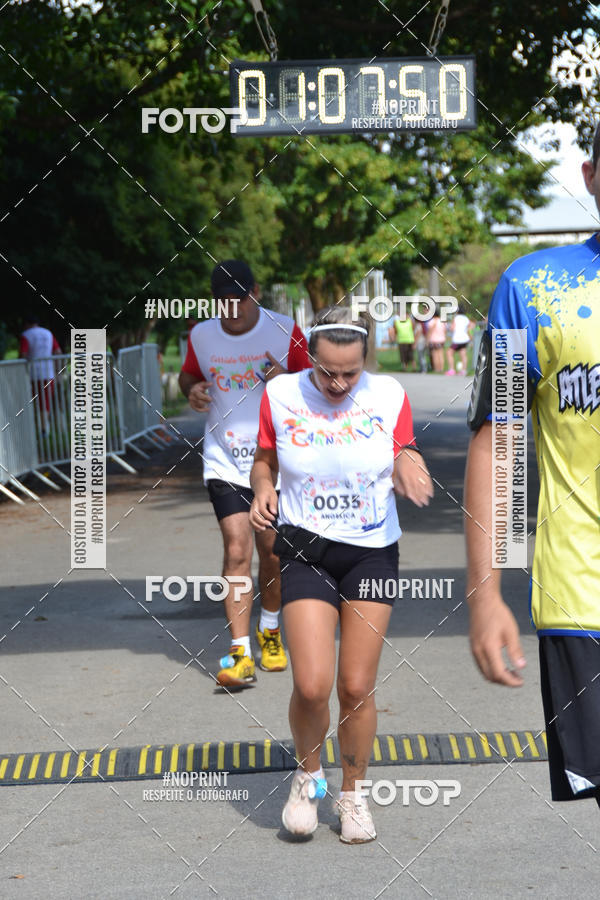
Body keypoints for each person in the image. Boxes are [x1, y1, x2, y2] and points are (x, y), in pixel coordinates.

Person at [249, 306, 434, 842]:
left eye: (350, 372)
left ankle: (353, 796)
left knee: (355, 685)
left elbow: (406, 448)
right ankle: (309, 777)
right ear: (311, 357)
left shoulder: (388, 395)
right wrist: (263, 486)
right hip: (305, 547)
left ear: (365, 360)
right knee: (311, 685)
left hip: (371, 550)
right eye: (327, 371)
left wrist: (408, 461)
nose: (337, 382)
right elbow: (265, 459)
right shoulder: (282, 395)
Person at [464, 125, 600, 809]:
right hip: (584, 596)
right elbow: (500, 443)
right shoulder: (534, 287)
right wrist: (486, 593)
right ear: (590, 175)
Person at [179, 260, 311, 688]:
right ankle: (239, 652)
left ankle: (270, 631)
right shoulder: (202, 335)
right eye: (223, 301)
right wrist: (192, 391)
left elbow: (323, 383)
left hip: (276, 461)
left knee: (270, 552)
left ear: (254, 291)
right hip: (223, 459)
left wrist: (288, 378)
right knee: (237, 550)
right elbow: (189, 376)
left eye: (238, 299)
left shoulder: (284, 329)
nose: (231, 310)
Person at [19, 314, 62, 431]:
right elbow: (57, 351)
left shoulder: (26, 335)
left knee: (35, 401)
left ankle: (41, 428)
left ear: (26, 324)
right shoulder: (48, 333)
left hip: (33, 373)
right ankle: (44, 427)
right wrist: (58, 370)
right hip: (48, 372)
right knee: (46, 401)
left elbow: (23, 354)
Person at [445, 304, 475, 375]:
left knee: (449, 353)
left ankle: (451, 370)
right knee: (463, 354)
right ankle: (463, 371)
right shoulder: (466, 318)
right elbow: (472, 326)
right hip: (465, 339)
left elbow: (452, 328)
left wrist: (448, 327)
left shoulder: (455, 318)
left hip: (457, 339)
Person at [425, 308, 447, 373]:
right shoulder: (442, 321)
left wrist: (427, 340)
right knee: (441, 354)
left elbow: (429, 332)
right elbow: (445, 330)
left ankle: (437, 369)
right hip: (442, 339)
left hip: (434, 340)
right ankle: (442, 368)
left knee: (435, 355)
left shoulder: (431, 321)